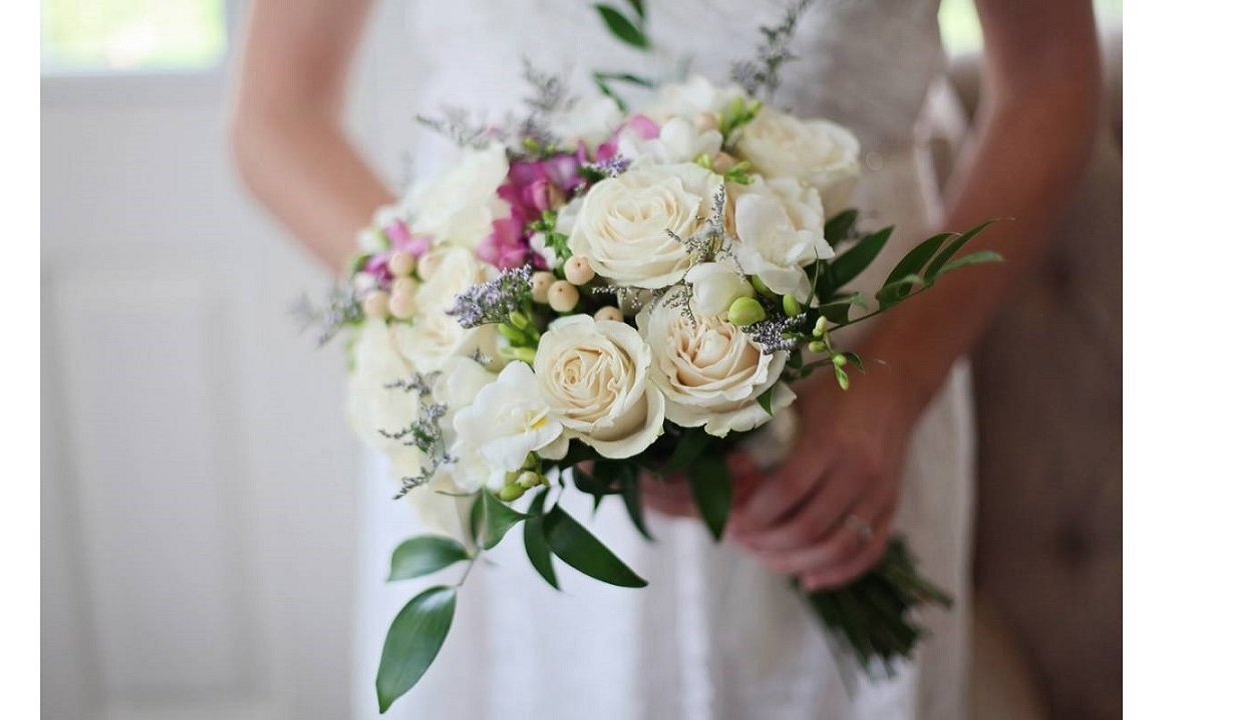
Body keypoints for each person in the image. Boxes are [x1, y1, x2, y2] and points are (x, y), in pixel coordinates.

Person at [230, 1, 1100, 717]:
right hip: (510, 417)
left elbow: (1051, 76)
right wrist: (494, 345)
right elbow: (278, 116)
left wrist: (896, 386)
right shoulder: (504, 366)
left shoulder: (880, 393)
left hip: (857, 384)